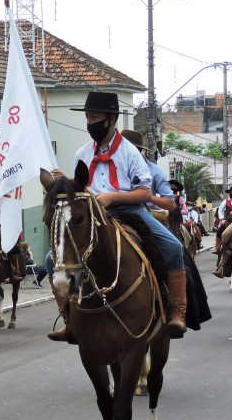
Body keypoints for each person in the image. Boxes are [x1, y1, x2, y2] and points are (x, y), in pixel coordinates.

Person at [47, 92, 188, 341]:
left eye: (94, 117)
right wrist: (64, 183)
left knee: (173, 246)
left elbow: (144, 193)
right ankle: (68, 316)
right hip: (93, 214)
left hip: (128, 211)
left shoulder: (130, 153)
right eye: (88, 118)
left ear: (111, 119)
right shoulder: (82, 153)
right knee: (52, 258)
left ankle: (175, 309)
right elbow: (80, 190)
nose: (90, 123)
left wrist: (113, 197)